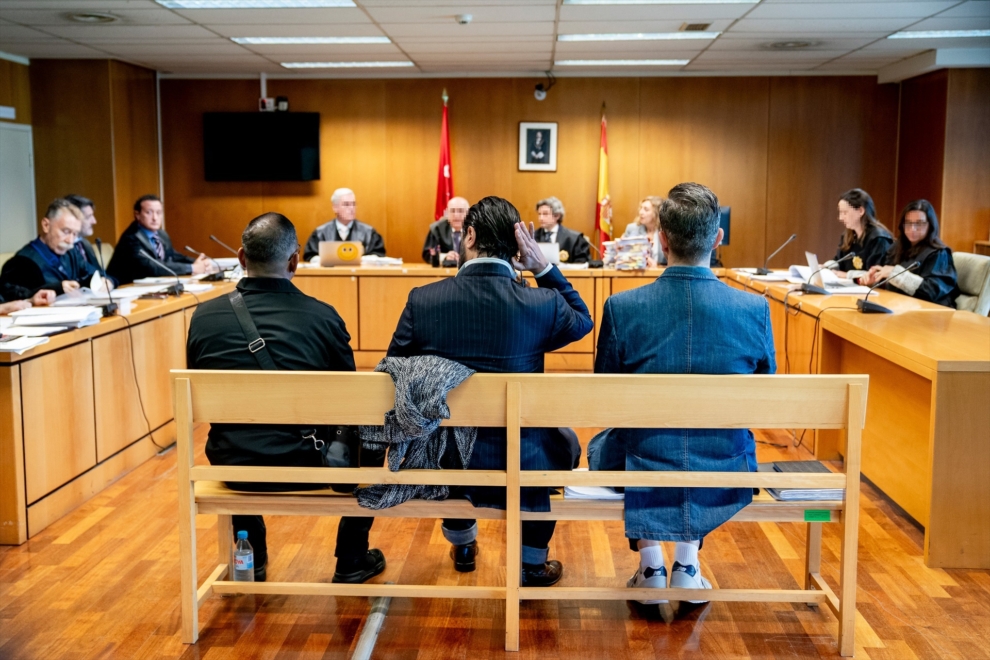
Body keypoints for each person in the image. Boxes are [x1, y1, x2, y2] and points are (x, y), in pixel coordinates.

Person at [369, 196, 593, 586]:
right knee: (557, 444)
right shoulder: (542, 302)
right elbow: (583, 322)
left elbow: (393, 366)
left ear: (468, 235)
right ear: (517, 245)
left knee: (445, 435)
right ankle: (532, 564)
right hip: (524, 457)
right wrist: (543, 268)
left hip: (451, 458)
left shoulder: (424, 300)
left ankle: (464, 543)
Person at [592, 182, 775, 604]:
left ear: (660, 238)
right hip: (725, 462)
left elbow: (604, 393)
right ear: (717, 238)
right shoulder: (754, 310)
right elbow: (767, 388)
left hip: (642, 460)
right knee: (708, 437)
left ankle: (651, 564)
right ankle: (687, 566)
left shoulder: (622, 307)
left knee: (618, 442)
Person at [186, 212, 386, 584]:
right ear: (295, 260)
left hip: (234, 464)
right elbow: (353, 403)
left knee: (243, 432)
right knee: (372, 440)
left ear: (242, 259)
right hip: (310, 462)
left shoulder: (204, 318)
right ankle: (352, 558)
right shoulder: (323, 318)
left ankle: (253, 554)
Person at [861, 199, 960, 308]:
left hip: (930, 313)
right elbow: (887, 280)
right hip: (899, 307)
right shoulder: (897, 248)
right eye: (908, 223)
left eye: (919, 223)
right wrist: (873, 281)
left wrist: (895, 273)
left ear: (930, 225)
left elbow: (931, 292)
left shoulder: (939, 254)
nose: (913, 229)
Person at [0, 198, 105, 295]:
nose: (70, 240)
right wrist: (57, 288)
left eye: (75, 234)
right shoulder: (21, 262)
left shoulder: (72, 253)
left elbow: (97, 274)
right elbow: (14, 298)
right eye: (66, 231)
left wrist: (106, 281)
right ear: (46, 225)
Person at [106, 194, 213, 285]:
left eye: (159, 212)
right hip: (126, 289)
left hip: (151, 286)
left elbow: (173, 257)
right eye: (149, 212)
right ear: (137, 215)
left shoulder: (161, 235)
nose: (155, 218)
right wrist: (192, 268)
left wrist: (200, 263)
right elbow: (152, 267)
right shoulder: (131, 238)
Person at [303, 188, 386, 261]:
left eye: (353, 204)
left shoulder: (369, 233)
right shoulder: (320, 233)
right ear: (335, 208)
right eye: (346, 204)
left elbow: (379, 255)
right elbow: (310, 256)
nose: (351, 208)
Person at [832, 188, 893, 275]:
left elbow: (875, 274)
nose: (841, 218)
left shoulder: (879, 239)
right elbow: (839, 261)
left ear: (860, 211)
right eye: (840, 213)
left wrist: (847, 275)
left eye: (845, 212)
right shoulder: (847, 236)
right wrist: (826, 267)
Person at [533, 197, 590, 264]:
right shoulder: (532, 237)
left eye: (545, 214)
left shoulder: (574, 238)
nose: (541, 218)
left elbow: (582, 263)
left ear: (557, 216)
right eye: (539, 214)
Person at [64, 194, 108, 276]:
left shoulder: (85, 243)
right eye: (88, 217)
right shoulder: (63, 247)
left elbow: (99, 274)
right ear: (73, 219)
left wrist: (110, 281)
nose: (94, 221)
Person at [422, 196, 469, 266]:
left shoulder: (476, 230)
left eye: (460, 211)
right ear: (447, 213)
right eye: (452, 211)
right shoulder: (437, 229)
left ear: (468, 213)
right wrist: (444, 257)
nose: (456, 215)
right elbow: (428, 254)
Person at [623, 196, 664, 266]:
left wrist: (657, 265)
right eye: (641, 208)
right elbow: (623, 256)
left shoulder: (665, 232)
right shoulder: (632, 229)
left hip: (659, 273)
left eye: (646, 209)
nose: (641, 212)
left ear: (656, 213)